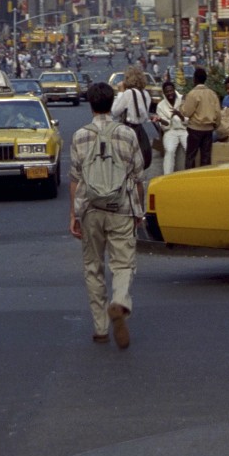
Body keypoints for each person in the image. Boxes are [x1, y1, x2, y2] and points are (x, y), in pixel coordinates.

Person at [69, 81, 144, 351]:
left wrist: (74, 215)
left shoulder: (79, 136)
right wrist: (139, 211)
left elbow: (75, 179)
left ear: (90, 104)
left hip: (90, 209)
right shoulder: (127, 135)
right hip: (121, 207)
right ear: (112, 104)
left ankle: (100, 328)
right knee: (123, 264)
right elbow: (137, 177)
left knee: (93, 267)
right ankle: (120, 302)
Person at [111, 67, 153, 170]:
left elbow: (115, 111)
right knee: (139, 160)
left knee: (125, 161)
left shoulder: (128, 94)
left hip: (127, 129)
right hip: (140, 130)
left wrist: (120, 92)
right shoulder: (145, 94)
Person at [180, 67, 221, 168]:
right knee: (206, 157)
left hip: (195, 129)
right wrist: (215, 125)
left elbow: (186, 112)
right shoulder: (212, 94)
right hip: (208, 130)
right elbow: (218, 113)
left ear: (195, 79)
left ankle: (189, 178)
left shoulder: (192, 94)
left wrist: (182, 102)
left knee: (191, 156)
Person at [152, 80, 188, 175]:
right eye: (167, 92)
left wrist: (180, 115)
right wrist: (161, 120)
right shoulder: (161, 106)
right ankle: (167, 176)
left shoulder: (183, 99)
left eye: (171, 91)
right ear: (164, 93)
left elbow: (189, 119)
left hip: (184, 130)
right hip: (171, 131)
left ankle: (189, 174)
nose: (169, 93)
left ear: (174, 90)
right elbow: (166, 125)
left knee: (189, 149)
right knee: (169, 150)